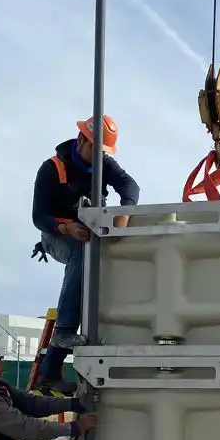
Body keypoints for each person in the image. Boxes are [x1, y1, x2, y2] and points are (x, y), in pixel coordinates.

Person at [32, 115, 139, 385]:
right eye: (96, 148)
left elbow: (130, 186)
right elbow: (39, 217)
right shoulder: (52, 169)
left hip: (87, 233)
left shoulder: (103, 163)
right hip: (56, 235)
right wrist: (67, 229)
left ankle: (50, 373)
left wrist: (124, 213)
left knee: (94, 268)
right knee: (81, 256)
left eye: (103, 151)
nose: (99, 156)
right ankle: (66, 331)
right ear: (81, 140)